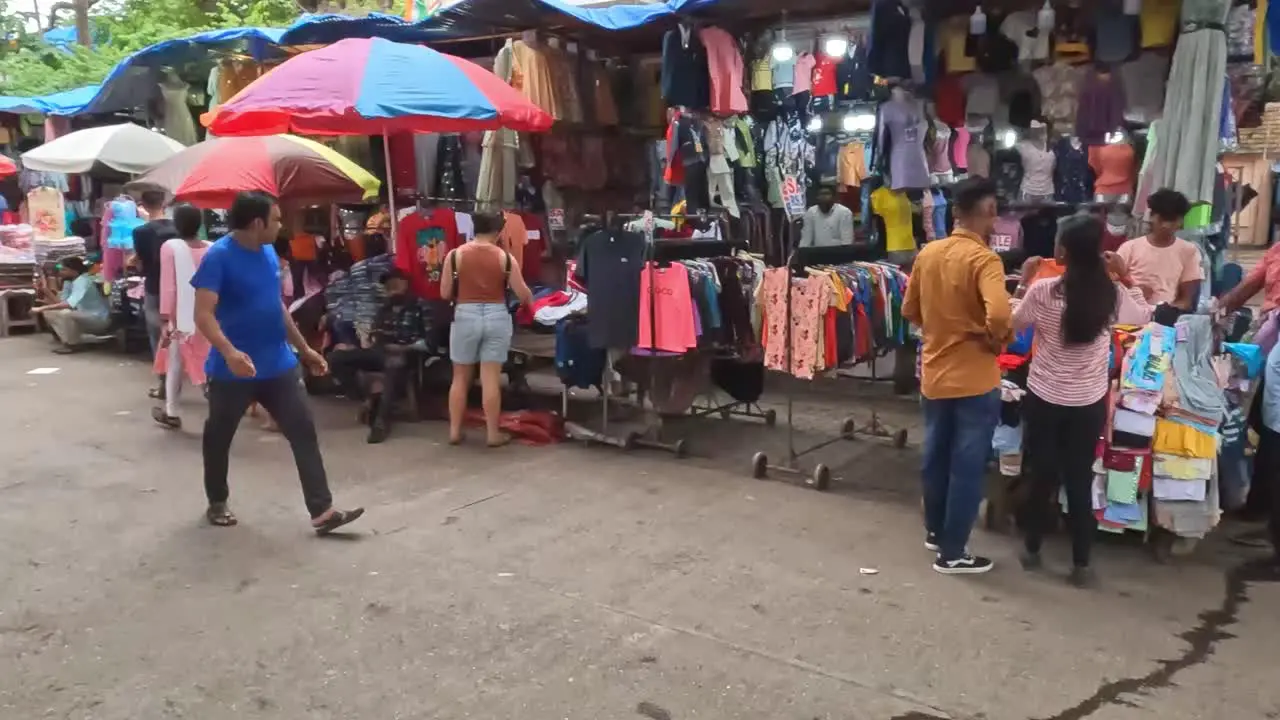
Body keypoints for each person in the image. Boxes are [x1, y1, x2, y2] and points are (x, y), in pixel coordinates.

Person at [192, 190, 363, 534]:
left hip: (279, 365)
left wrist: (304, 349)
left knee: (303, 431)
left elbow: (276, 307)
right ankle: (217, 500)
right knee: (219, 436)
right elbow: (203, 315)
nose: (280, 225)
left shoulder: (269, 252)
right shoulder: (218, 258)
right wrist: (229, 352)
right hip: (234, 369)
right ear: (257, 224)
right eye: (276, 219)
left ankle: (322, 511)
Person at [1012, 216, 1152, 588]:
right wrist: (1126, 277)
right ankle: (1081, 564)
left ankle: (1032, 548)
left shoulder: (1043, 290)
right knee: (1079, 478)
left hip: (1044, 398)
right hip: (1088, 403)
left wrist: (1024, 281)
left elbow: (1011, 326)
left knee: (1042, 474)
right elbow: (1143, 317)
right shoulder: (1111, 293)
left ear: (1062, 251)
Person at [902, 177, 1012, 575]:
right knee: (967, 465)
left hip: (935, 373)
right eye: (994, 208)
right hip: (975, 378)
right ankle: (953, 552)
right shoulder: (985, 260)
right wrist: (994, 338)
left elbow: (909, 310)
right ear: (986, 212)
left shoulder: (929, 254)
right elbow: (999, 314)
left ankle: (935, 532)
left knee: (935, 456)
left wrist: (943, 326)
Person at [440, 211, 533, 447]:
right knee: (490, 377)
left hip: (464, 315)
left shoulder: (455, 256)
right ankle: (492, 434)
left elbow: (444, 293)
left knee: (460, 377)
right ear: (498, 231)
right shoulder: (505, 258)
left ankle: (454, 431)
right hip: (496, 315)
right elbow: (524, 294)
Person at [329, 268, 431, 444]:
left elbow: (429, 342)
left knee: (393, 363)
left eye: (395, 283)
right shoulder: (383, 309)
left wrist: (404, 348)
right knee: (336, 358)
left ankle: (381, 421)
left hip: (405, 355)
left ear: (405, 283)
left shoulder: (420, 306)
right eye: (387, 285)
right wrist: (367, 341)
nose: (391, 288)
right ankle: (366, 398)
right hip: (379, 352)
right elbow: (373, 336)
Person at [152, 204, 212, 430]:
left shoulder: (171, 247)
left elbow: (168, 285)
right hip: (208, 313)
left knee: (176, 361)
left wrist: (165, 316)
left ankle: (172, 411)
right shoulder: (211, 248)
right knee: (206, 358)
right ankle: (216, 404)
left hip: (181, 315)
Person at [1115, 189, 1203, 311]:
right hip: (1129, 315)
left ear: (1181, 222)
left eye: (1172, 220)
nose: (1165, 225)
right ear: (1151, 217)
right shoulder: (1129, 248)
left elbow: (1185, 301)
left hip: (1165, 319)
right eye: (1162, 219)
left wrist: (1163, 312)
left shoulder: (1189, 251)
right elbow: (1113, 290)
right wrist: (1135, 293)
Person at [131, 190, 177, 400]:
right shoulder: (177, 227)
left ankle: (164, 385)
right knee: (185, 336)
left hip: (155, 287)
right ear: (164, 204)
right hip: (179, 288)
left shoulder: (141, 232)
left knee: (158, 337)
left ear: (143, 205)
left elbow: (141, 261)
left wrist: (131, 262)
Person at [33, 256, 111, 353]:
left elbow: (69, 304)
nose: (61, 272)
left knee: (65, 314)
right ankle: (70, 338)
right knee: (50, 313)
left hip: (98, 318)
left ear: (74, 271)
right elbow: (62, 302)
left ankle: (72, 344)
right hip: (84, 315)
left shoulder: (83, 280)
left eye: (64, 270)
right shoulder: (69, 281)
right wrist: (45, 290)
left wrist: (43, 307)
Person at [799, 184, 855, 249]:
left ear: (834, 197)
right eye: (821, 194)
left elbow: (847, 241)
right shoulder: (811, 212)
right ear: (817, 197)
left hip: (839, 254)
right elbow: (806, 239)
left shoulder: (844, 212)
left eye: (827, 194)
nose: (824, 197)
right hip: (817, 255)